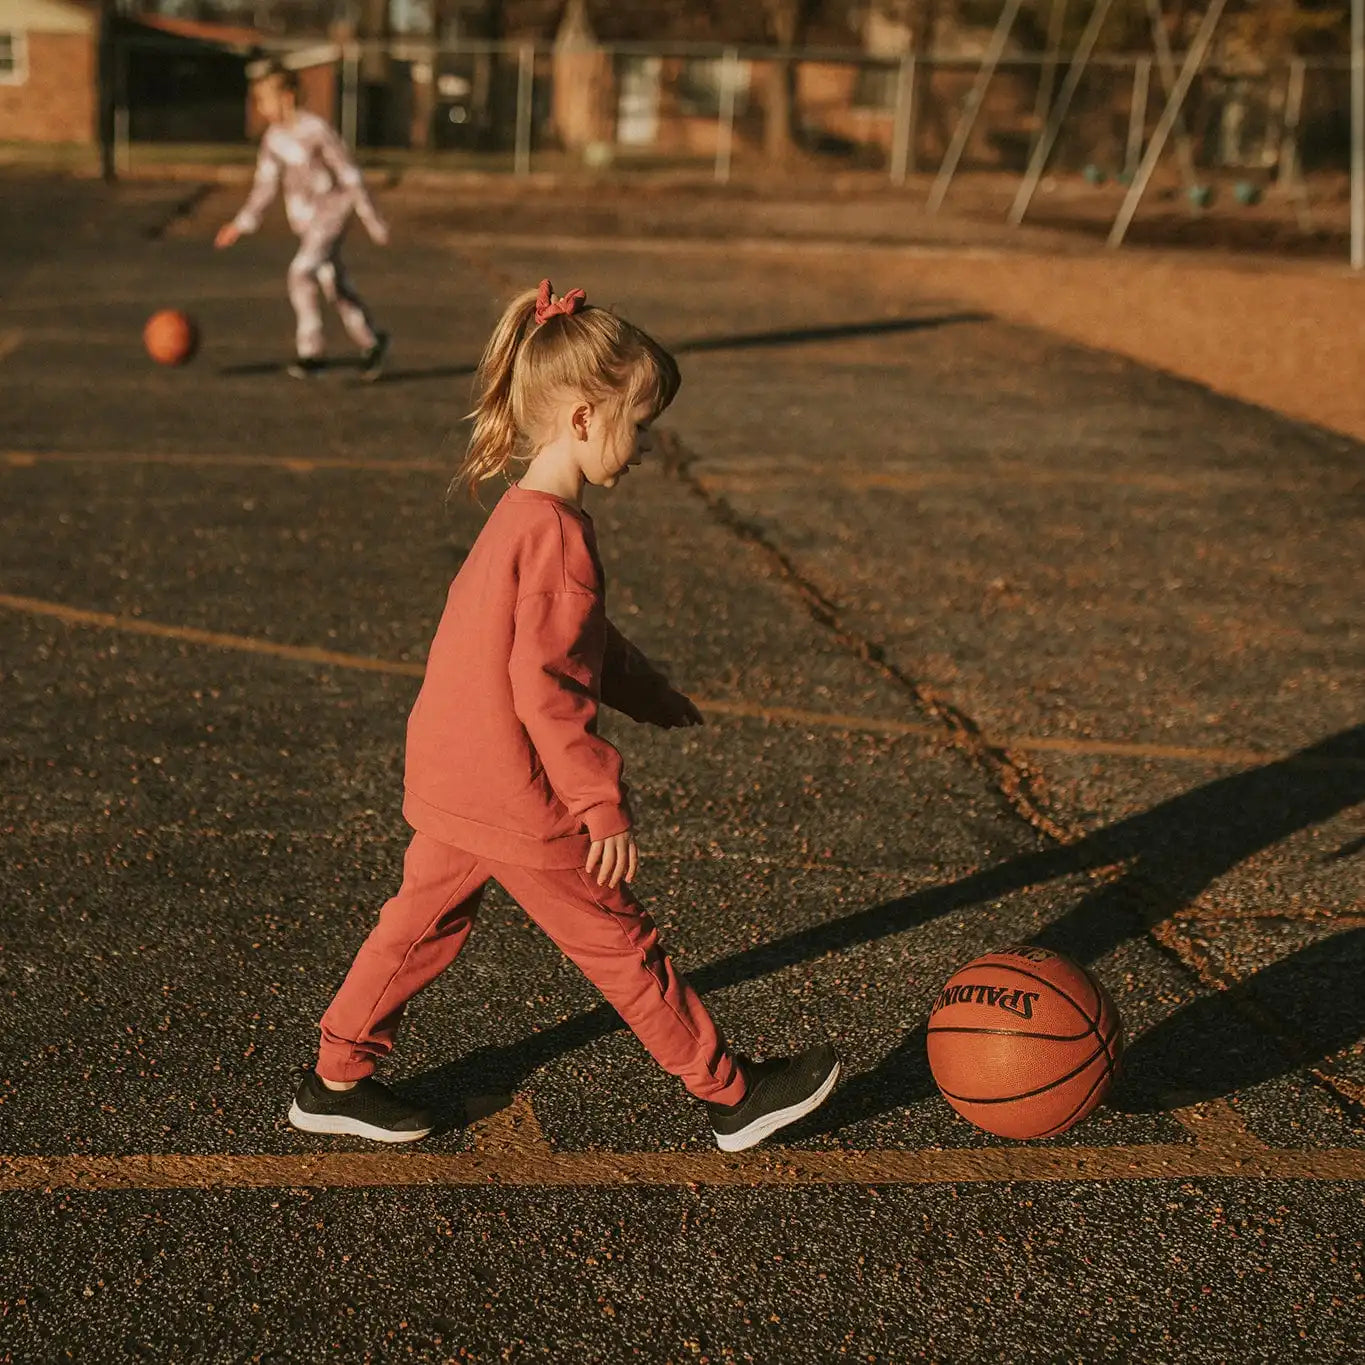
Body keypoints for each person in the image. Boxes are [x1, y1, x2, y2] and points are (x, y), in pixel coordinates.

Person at [288, 280, 840, 1151]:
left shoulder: (522, 517)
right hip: (516, 789)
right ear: (585, 418)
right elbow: (546, 683)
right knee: (622, 942)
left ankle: (337, 1074)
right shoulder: (559, 537)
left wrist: (649, 693)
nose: (650, 444)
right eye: (641, 422)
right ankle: (731, 1095)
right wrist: (599, 802)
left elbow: (581, 641)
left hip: (454, 766)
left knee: (417, 924)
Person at [215, 60, 389, 381]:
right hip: (307, 225)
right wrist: (240, 223)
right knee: (332, 283)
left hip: (333, 213)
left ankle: (311, 352)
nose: (260, 107)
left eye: (264, 99)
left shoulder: (316, 130)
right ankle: (373, 340)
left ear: (288, 97)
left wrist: (372, 219)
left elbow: (350, 174)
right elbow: (264, 187)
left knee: (300, 272)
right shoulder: (272, 140)